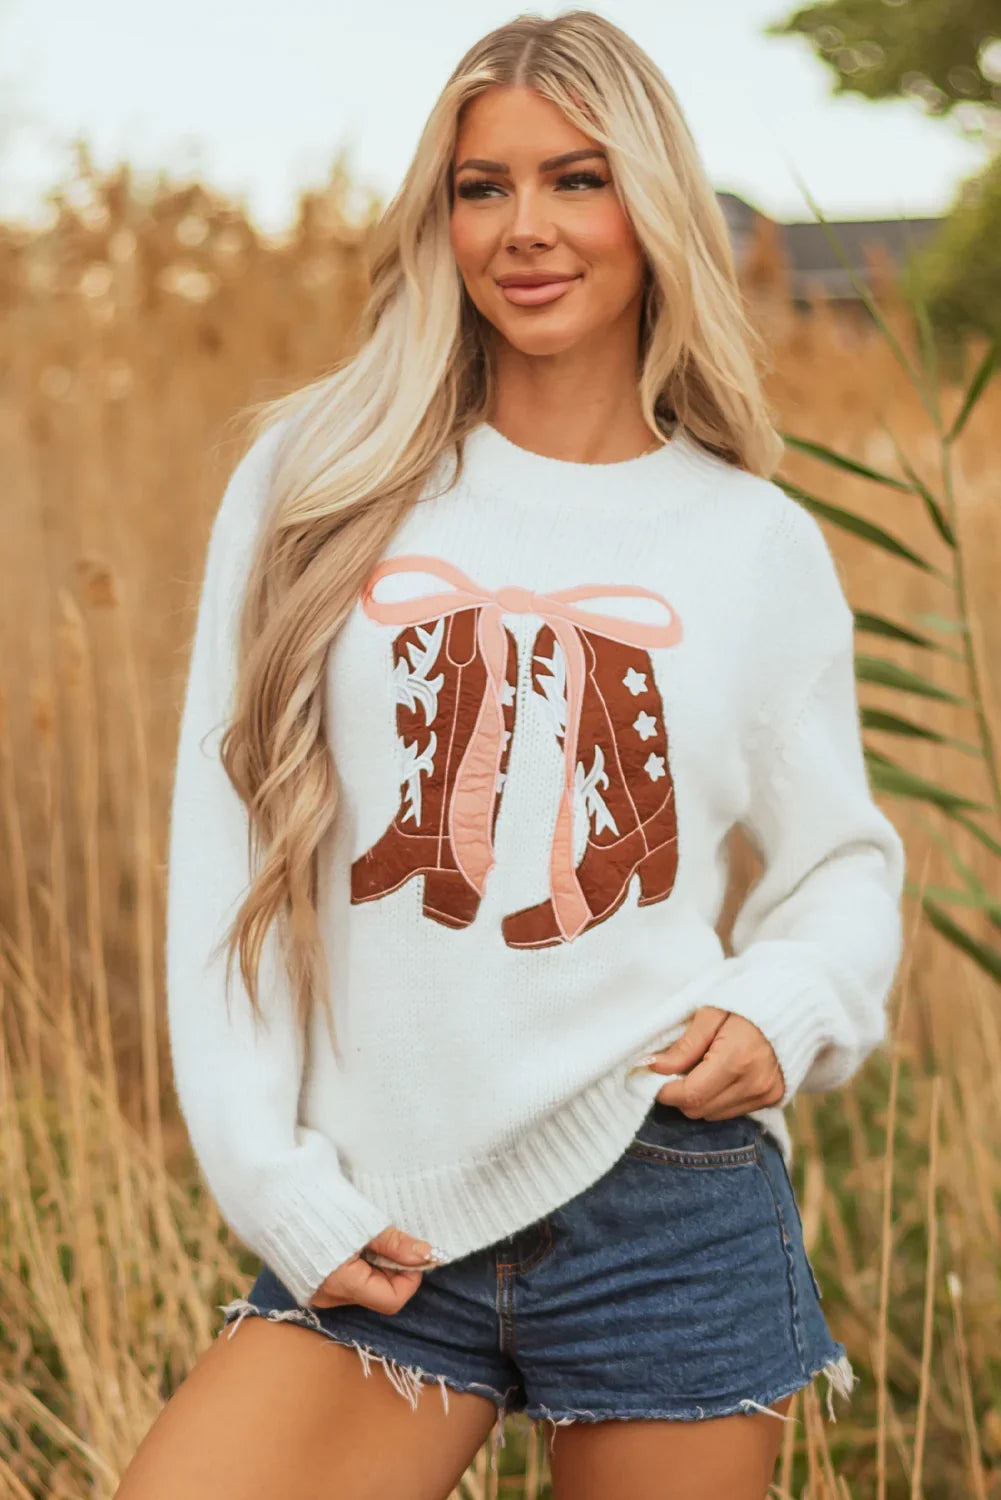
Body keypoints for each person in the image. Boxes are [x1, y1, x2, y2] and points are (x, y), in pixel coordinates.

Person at [113, 10, 906, 1499]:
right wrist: (273, 1183)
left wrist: (785, 1002)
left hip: (664, 1193)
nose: (524, 228)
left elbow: (842, 869)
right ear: (443, 220)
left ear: (652, 208)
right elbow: (228, 844)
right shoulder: (320, 478)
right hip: (382, 1207)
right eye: (483, 187)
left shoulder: (752, 543)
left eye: (575, 180)